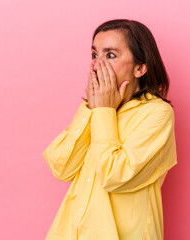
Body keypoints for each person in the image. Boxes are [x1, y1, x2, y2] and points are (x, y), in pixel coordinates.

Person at [42, 19, 178, 240]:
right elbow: (61, 167)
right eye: (95, 55)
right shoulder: (94, 108)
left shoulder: (157, 113)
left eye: (110, 55)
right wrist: (91, 107)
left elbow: (114, 176)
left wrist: (103, 110)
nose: (97, 65)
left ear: (140, 68)